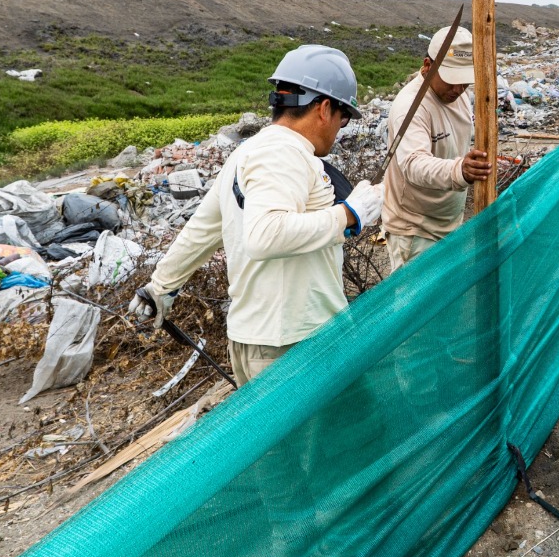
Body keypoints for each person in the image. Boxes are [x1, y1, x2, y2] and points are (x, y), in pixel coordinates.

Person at [130, 44, 382, 386]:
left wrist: (160, 288)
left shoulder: (245, 154)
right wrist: (348, 216)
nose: (340, 130)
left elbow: (202, 230)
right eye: (344, 117)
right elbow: (266, 235)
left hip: (259, 343)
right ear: (324, 109)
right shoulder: (283, 153)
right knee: (336, 438)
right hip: (298, 346)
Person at [382, 26, 494, 272]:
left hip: (449, 227)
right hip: (415, 233)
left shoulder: (459, 95)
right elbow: (414, 164)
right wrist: (460, 170)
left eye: (464, 81)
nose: (458, 89)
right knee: (417, 309)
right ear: (427, 65)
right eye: (452, 80)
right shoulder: (411, 107)